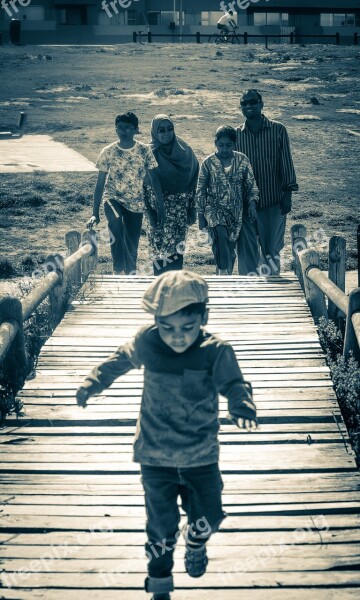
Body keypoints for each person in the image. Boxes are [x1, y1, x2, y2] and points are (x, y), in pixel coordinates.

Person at [76, 270, 257, 600]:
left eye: (187, 328)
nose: (177, 337)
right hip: (155, 456)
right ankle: (159, 582)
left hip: (200, 455)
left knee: (210, 515)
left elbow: (233, 383)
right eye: (167, 327)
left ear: (204, 316)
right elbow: (121, 358)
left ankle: (197, 540)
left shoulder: (215, 351)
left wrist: (241, 405)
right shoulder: (148, 341)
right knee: (160, 527)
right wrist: (94, 380)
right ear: (155, 321)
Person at [87, 111, 164, 275]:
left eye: (128, 128)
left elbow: (155, 181)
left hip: (136, 203)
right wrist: (95, 214)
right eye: (120, 128)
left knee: (132, 240)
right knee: (116, 220)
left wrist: (161, 208)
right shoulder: (108, 151)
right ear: (115, 129)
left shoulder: (144, 151)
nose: (124, 132)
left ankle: (130, 273)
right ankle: (117, 269)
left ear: (136, 130)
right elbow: (100, 184)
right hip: (112, 198)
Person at [236, 89, 298, 276]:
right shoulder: (237, 134)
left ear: (261, 104)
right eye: (244, 103)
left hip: (273, 200)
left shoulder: (278, 129)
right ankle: (247, 294)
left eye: (253, 102)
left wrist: (287, 195)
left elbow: (285, 161)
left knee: (271, 250)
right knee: (247, 253)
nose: (249, 106)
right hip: (246, 204)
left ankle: (273, 290)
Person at [195, 126, 258, 275]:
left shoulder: (242, 160)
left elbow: (251, 185)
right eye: (221, 145)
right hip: (213, 209)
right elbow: (200, 190)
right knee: (220, 234)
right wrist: (200, 216)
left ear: (234, 144)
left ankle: (223, 276)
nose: (224, 149)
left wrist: (252, 204)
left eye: (228, 145)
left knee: (228, 248)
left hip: (236, 211)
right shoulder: (208, 163)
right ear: (215, 143)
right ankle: (223, 270)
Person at [144, 115, 199, 276]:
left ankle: (175, 289)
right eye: (161, 130)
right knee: (158, 252)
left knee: (176, 251)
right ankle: (160, 291)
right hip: (156, 212)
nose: (166, 133)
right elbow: (141, 187)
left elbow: (193, 183)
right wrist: (149, 212)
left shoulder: (185, 151)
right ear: (154, 132)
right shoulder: (148, 153)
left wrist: (192, 208)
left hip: (179, 212)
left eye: (170, 129)